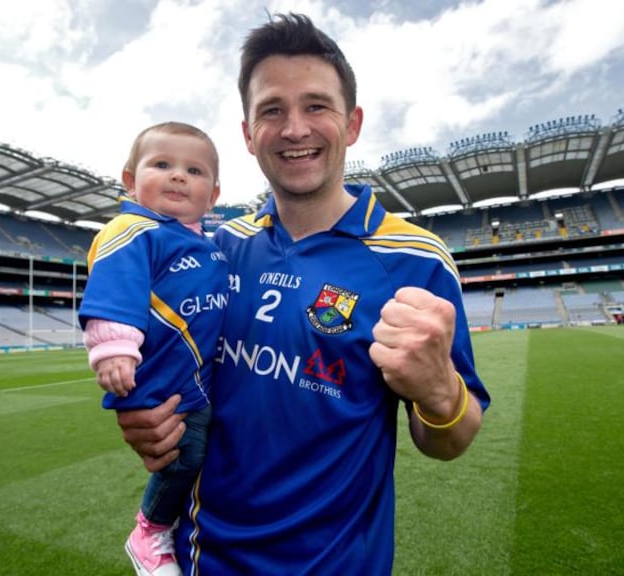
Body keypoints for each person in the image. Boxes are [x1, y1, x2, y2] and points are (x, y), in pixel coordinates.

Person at [115, 13, 490, 574]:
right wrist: (144, 412)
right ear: (247, 133)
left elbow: (451, 439)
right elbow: (158, 350)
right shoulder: (219, 248)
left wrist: (438, 391)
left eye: (316, 106)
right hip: (203, 558)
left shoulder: (415, 259)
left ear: (353, 122)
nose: (294, 129)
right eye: (272, 110)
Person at [78, 121, 228, 576]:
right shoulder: (133, 229)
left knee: (198, 453)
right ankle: (150, 530)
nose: (179, 176)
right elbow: (114, 291)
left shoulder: (203, 242)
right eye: (162, 165)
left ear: (214, 194)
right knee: (185, 456)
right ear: (130, 180)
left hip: (195, 375)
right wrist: (113, 350)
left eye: (195, 170)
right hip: (162, 379)